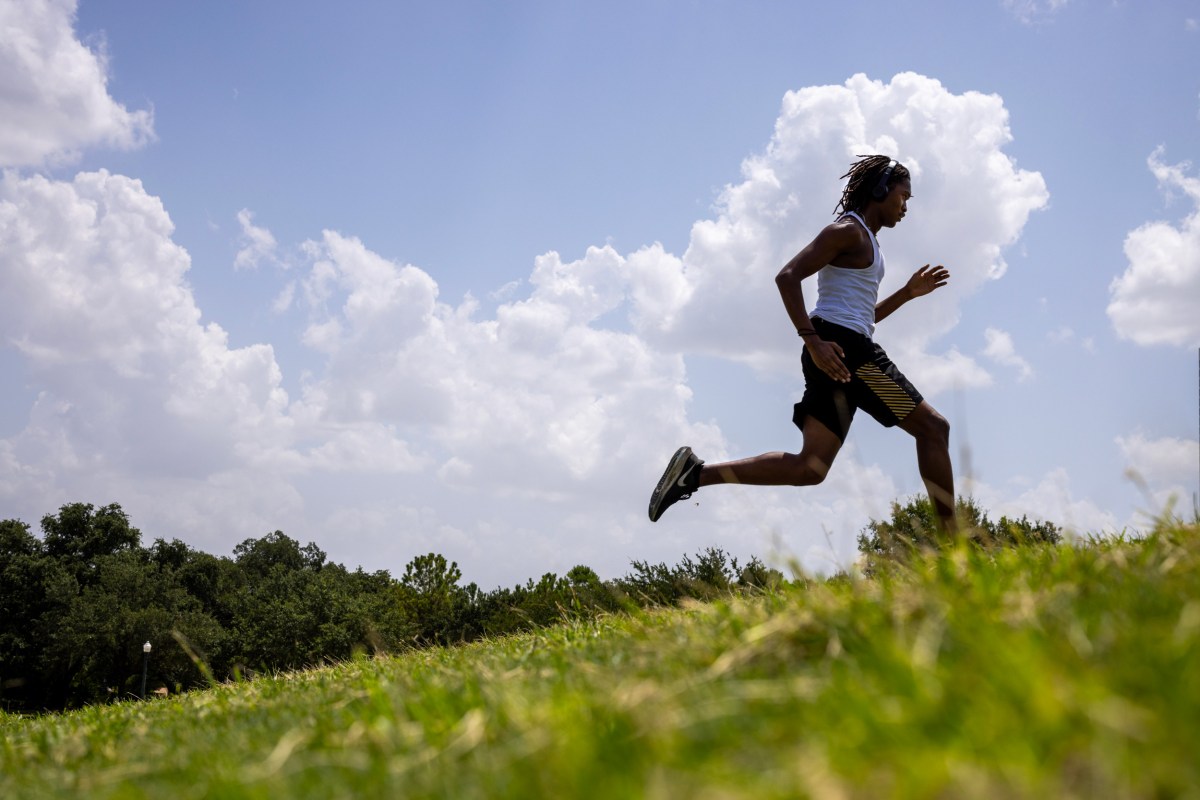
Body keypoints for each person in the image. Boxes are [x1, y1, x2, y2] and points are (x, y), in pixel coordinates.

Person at [648, 155, 957, 533]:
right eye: (903, 196)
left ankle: (695, 474)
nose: (905, 207)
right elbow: (787, 277)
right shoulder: (847, 232)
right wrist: (812, 340)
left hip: (840, 350)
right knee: (933, 429)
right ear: (880, 190)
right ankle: (952, 550)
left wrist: (907, 294)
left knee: (810, 468)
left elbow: (863, 316)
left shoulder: (868, 242)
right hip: (848, 354)